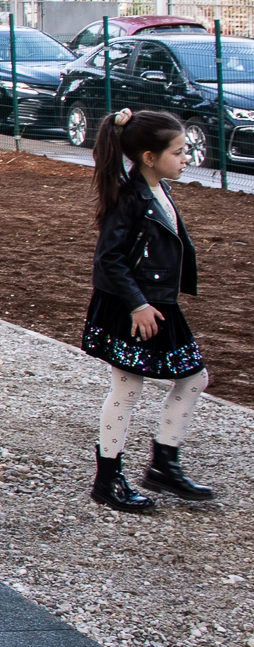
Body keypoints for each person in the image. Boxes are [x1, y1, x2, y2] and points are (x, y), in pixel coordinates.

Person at [85, 107, 215, 512]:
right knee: (127, 389)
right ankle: (108, 481)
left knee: (193, 379)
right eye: (178, 152)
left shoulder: (158, 190)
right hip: (133, 306)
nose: (185, 158)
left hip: (157, 303)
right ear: (149, 157)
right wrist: (138, 305)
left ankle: (163, 465)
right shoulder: (130, 198)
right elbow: (109, 259)